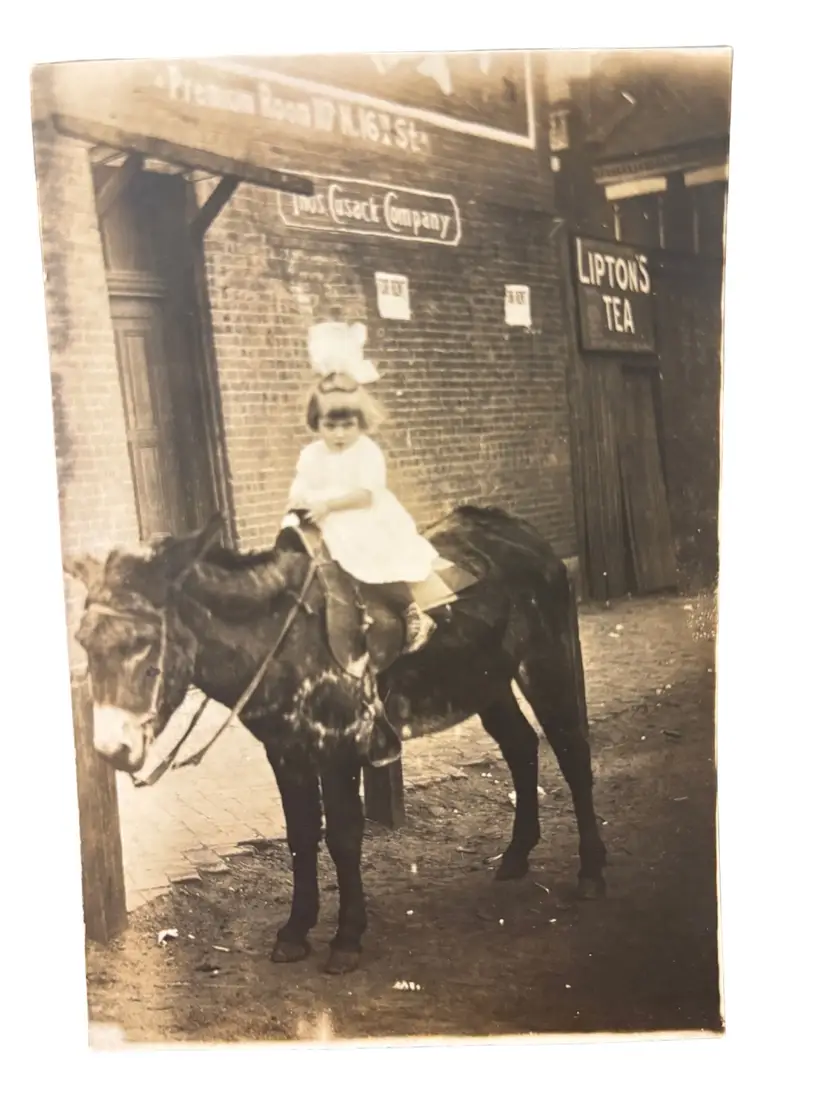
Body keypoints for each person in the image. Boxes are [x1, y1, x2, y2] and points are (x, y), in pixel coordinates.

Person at [284, 322, 439, 654]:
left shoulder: (366, 451)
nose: (339, 434)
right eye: (330, 426)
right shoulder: (312, 454)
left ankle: (410, 610)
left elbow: (366, 493)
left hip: (363, 515)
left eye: (347, 425)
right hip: (323, 519)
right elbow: (302, 483)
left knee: (380, 558)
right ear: (317, 423)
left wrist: (329, 505)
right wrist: (298, 501)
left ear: (360, 422)